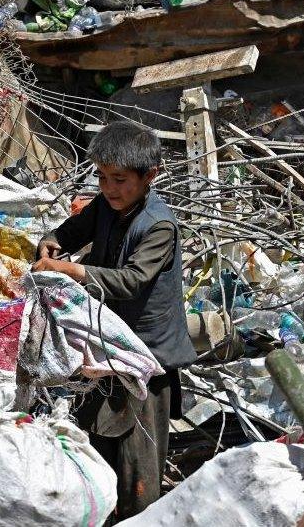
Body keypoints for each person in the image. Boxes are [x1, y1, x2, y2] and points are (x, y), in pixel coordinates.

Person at [32, 121, 196, 519]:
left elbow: (133, 280)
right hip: (106, 345)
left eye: (120, 180)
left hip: (146, 354)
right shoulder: (106, 205)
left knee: (139, 465)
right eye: (103, 178)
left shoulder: (159, 225)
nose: (109, 188)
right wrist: (53, 240)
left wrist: (73, 272)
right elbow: (71, 231)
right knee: (96, 443)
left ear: (149, 176)